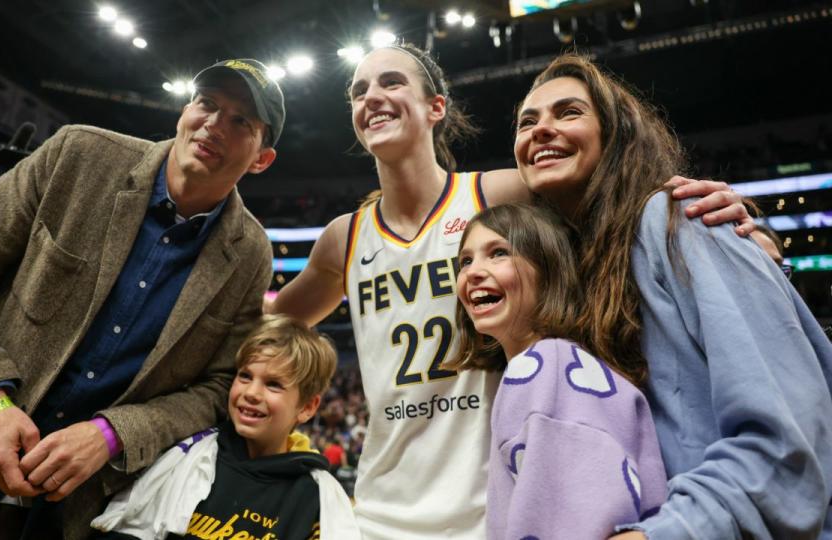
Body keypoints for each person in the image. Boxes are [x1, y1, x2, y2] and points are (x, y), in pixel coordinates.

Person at [269, 43, 753, 539]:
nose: (372, 96)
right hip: (377, 510)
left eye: (391, 82)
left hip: (493, 505)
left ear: (437, 107)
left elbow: (615, 210)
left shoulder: (497, 193)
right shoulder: (343, 238)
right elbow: (269, 328)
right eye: (358, 91)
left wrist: (712, 218)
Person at [0, 58, 283, 540]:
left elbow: (216, 389)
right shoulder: (80, 154)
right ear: (184, 110)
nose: (215, 124)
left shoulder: (251, 255)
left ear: (261, 158)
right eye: (208, 104)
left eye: (241, 121)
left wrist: (112, 435)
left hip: (64, 516)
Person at [511, 54, 832, 538]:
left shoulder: (679, 221)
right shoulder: (580, 273)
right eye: (527, 122)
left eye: (569, 112)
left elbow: (788, 441)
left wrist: (659, 534)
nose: (540, 129)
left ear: (616, 134)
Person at [449, 202, 666, 539]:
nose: (473, 271)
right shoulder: (561, 364)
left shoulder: (545, 368)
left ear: (547, 268)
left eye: (498, 253)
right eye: (465, 260)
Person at [91, 315, 359, 540]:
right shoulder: (186, 457)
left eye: (273, 384)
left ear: (307, 407)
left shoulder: (318, 497)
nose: (252, 392)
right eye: (245, 376)